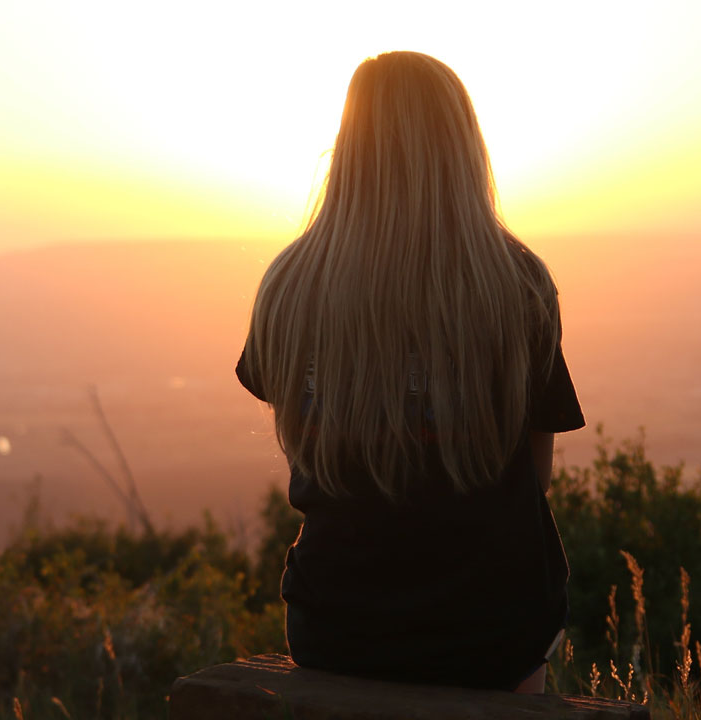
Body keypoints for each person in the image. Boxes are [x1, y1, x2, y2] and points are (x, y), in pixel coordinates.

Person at [234, 51, 585, 694]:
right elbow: (535, 479)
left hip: (335, 625)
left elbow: (303, 447)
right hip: (491, 632)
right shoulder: (519, 286)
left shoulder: (288, 285)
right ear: (462, 149)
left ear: (348, 148)